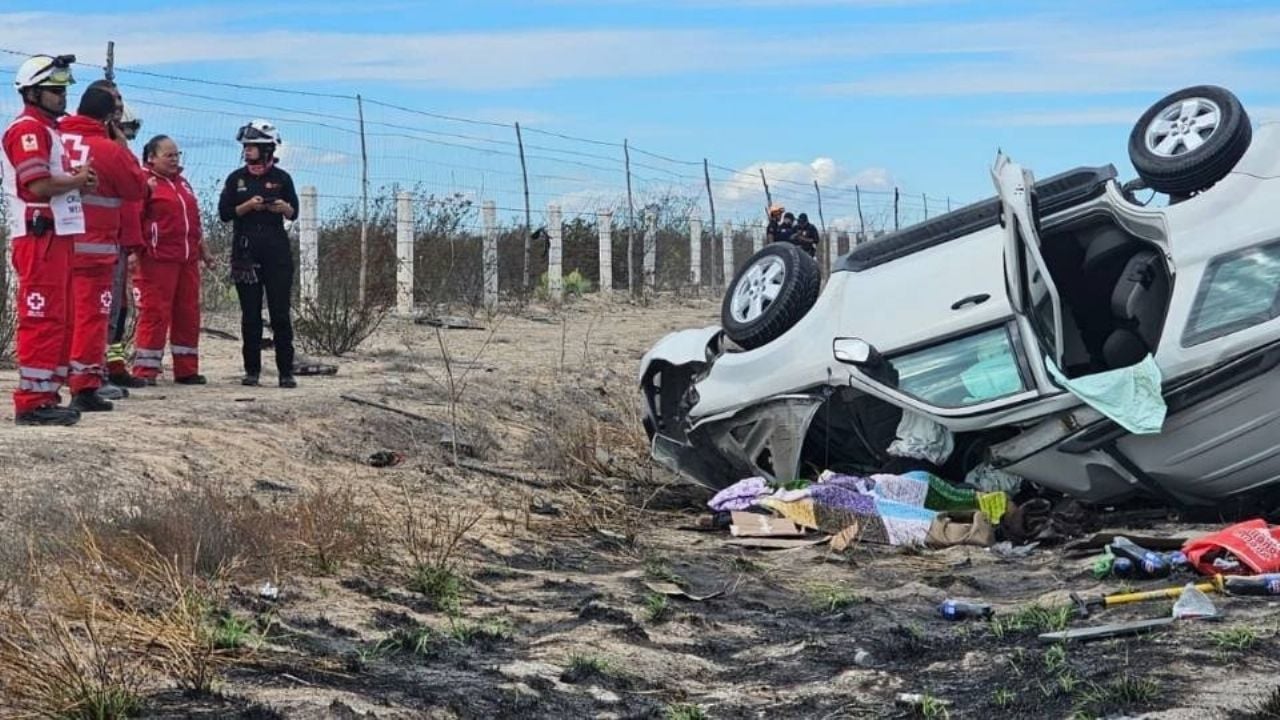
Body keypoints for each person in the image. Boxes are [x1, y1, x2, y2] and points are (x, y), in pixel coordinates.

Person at [2, 54, 97, 426]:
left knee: (58, 317)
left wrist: (78, 182)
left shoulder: (47, 130)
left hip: (55, 233)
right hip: (38, 235)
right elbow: (38, 184)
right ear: (32, 92)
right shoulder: (27, 130)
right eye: (54, 90)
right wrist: (77, 180)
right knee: (41, 316)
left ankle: (46, 393)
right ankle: (32, 400)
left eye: (62, 89)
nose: (62, 96)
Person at [57, 86, 147, 411]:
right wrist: (121, 144)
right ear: (109, 118)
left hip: (52, 246)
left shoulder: (53, 138)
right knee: (92, 318)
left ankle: (48, 384)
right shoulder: (108, 151)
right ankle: (85, 385)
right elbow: (137, 187)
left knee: (56, 316)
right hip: (94, 249)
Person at [218, 119, 299, 388]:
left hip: (276, 251)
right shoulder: (236, 179)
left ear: (266, 148)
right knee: (250, 314)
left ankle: (286, 372)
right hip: (246, 252)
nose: (247, 151)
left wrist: (282, 208)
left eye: (252, 146)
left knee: (279, 313)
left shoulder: (282, 178)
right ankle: (251, 371)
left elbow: (294, 212)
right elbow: (225, 214)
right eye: (245, 146)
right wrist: (247, 206)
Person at [130, 135, 213, 385]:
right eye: (169, 155)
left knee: (188, 313)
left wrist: (204, 251)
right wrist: (133, 251)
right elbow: (134, 218)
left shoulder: (183, 184)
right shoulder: (145, 183)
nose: (175, 160)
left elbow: (193, 224)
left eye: (177, 155)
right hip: (157, 259)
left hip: (186, 258)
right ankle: (145, 371)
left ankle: (187, 369)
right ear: (151, 158)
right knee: (155, 313)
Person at [105, 101, 147, 389]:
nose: (127, 141)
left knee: (118, 311)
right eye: (124, 133)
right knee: (103, 310)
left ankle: (114, 364)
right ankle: (97, 368)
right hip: (103, 242)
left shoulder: (123, 162)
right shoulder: (107, 160)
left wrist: (133, 246)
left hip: (121, 243)